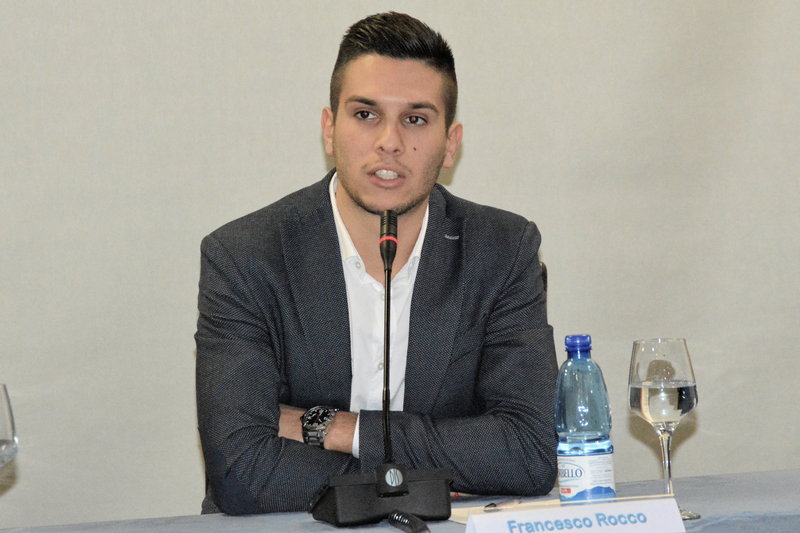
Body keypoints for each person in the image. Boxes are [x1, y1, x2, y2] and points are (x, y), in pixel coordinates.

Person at [195, 11, 557, 515]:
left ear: (450, 144)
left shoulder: (501, 251)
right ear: (329, 130)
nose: (389, 141)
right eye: (365, 114)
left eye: (415, 119)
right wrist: (433, 476)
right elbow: (241, 472)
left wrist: (334, 428)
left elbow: (529, 453)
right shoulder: (245, 256)